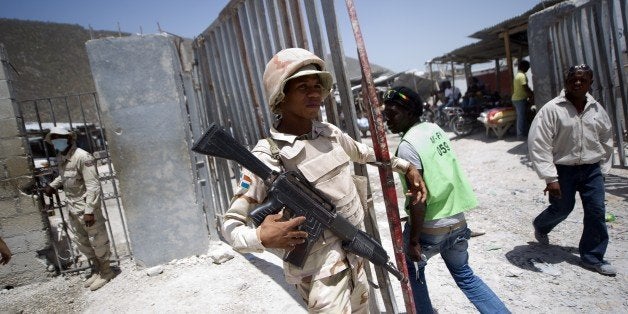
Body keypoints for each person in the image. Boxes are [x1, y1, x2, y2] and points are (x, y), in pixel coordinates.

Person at [221, 48, 426, 313]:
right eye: (303, 86)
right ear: (280, 95)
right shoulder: (266, 156)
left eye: (317, 85)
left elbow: (364, 153)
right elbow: (231, 226)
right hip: (318, 279)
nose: (315, 93)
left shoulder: (328, 133)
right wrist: (260, 235)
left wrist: (405, 166)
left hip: (354, 261)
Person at [382, 86, 510, 313]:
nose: (386, 119)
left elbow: (419, 199)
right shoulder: (434, 129)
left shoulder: (407, 147)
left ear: (410, 112)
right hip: (458, 221)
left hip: (431, 227)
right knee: (466, 277)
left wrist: (413, 241)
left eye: (392, 113)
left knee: (412, 271)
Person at [528, 64, 615, 276]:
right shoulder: (552, 109)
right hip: (564, 170)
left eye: (583, 80)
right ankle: (541, 224)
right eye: (573, 79)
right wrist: (550, 178)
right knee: (562, 208)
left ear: (590, 83)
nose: (578, 83)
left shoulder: (596, 109)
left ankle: (593, 257)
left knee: (596, 212)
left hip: (592, 169)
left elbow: (606, 138)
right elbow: (539, 143)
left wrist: (602, 168)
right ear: (566, 82)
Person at [43, 126, 114, 290]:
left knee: (97, 239)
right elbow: (65, 177)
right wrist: (53, 185)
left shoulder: (82, 157)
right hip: (72, 207)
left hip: (86, 209)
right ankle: (97, 269)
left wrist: (89, 211)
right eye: (53, 139)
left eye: (58, 138)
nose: (55, 142)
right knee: (81, 241)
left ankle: (106, 271)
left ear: (68, 138)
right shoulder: (62, 157)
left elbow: (93, 186)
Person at [511, 60, 534, 139]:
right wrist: (532, 94)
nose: (528, 69)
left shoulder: (518, 75)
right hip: (519, 99)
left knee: (523, 116)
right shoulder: (521, 76)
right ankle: (520, 135)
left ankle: (525, 132)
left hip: (518, 99)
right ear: (523, 67)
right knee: (521, 117)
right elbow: (525, 88)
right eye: (527, 67)